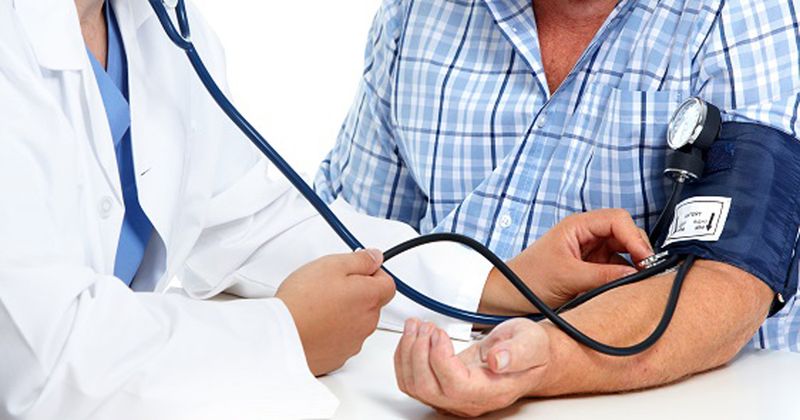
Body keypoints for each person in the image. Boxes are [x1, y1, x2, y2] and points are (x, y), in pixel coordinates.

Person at [0, 0, 656, 418]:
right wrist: (284, 336)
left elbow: (255, 218)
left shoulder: (160, 24)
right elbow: (39, 360)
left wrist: (494, 284)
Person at [315, 0, 800, 416]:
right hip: (406, 394)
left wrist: (535, 358)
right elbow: (350, 246)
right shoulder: (418, 12)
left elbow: (730, 284)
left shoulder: (743, 13)